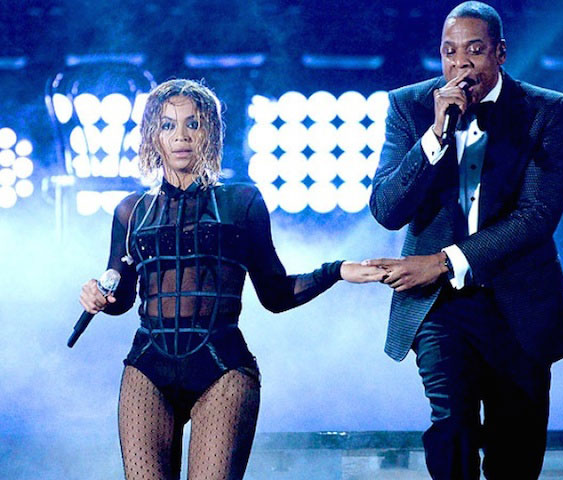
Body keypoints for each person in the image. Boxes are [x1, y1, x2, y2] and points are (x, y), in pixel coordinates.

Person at [79, 78, 384, 480]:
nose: (181, 136)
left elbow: (275, 294)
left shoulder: (243, 202)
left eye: (193, 123)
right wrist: (98, 296)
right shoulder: (131, 211)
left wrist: (336, 271)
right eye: (168, 125)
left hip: (221, 366)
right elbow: (121, 296)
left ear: (211, 132)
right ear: (153, 135)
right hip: (147, 368)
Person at [366, 2, 563, 479]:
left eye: (475, 51)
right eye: (449, 52)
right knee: (453, 426)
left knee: (515, 449)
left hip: (518, 301)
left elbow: (537, 218)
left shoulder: (544, 111)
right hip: (439, 305)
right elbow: (387, 209)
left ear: (500, 53)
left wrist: (443, 260)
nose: (460, 65)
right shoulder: (410, 106)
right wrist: (435, 136)